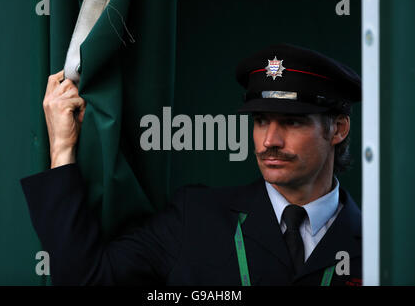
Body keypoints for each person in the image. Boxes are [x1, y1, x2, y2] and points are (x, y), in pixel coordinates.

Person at [21, 43, 362, 286]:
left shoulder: (381, 248)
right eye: (260, 120)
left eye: (292, 122)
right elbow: (86, 280)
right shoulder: (195, 216)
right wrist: (63, 149)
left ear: (338, 128)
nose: (269, 139)